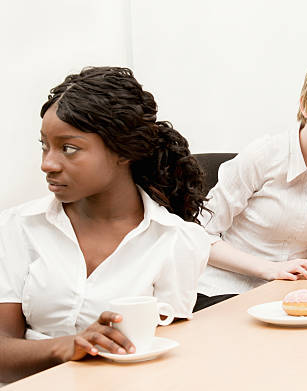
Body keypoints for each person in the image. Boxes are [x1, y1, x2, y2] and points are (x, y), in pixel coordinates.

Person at [0, 67, 212, 383]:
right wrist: (64, 347)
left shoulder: (176, 241)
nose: (48, 163)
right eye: (45, 145)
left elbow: (167, 359)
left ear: (122, 152)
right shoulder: (19, 227)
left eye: (68, 148)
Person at [196, 55, 307, 309]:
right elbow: (197, 236)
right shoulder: (264, 154)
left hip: (286, 297)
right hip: (222, 293)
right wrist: (270, 269)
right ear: (305, 105)